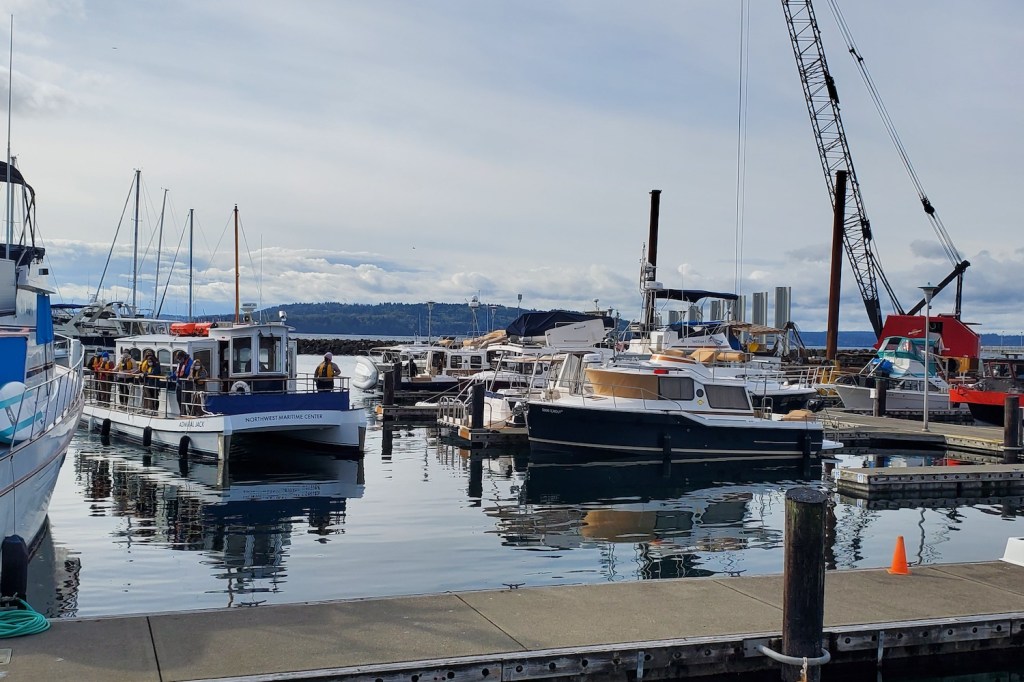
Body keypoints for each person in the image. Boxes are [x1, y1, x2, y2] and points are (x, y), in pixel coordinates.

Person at [139, 349, 162, 413]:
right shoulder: (148, 365)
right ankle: (148, 408)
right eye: (147, 354)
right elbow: (146, 371)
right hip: (147, 382)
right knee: (147, 396)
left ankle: (154, 410)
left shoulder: (156, 364)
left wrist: (146, 374)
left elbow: (154, 372)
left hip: (154, 383)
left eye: (150, 353)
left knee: (154, 397)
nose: (149, 362)